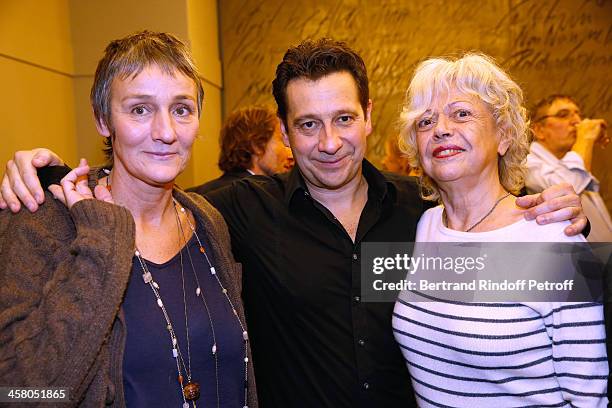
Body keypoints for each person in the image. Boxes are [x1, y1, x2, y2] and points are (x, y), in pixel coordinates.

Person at [0, 39, 588, 408]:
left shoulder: (426, 218)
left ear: (369, 117)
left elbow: (554, 329)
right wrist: (41, 175)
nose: (329, 143)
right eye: (307, 125)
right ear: (282, 132)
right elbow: (23, 391)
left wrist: (566, 211)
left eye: (343, 119)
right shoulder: (236, 213)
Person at [0, 31, 256, 408]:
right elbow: (17, 392)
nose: (166, 132)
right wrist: (100, 241)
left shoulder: (207, 222)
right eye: (140, 109)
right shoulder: (44, 222)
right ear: (103, 119)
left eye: (182, 109)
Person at [392, 53, 607, 406]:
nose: (441, 128)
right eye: (425, 121)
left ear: (504, 136)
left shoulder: (553, 239)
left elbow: (590, 398)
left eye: (461, 113)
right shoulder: (426, 225)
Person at [526, 94, 612, 242]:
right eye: (563, 115)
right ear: (539, 130)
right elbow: (566, 189)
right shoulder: (526, 164)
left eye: (578, 115)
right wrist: (585, 138)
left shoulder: (576, 158)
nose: (577, 122)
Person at [188, 106, 293, 195]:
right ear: (257, 145)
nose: (291, 154)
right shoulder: (256, 197)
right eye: (282, 140)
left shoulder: (193, 197)